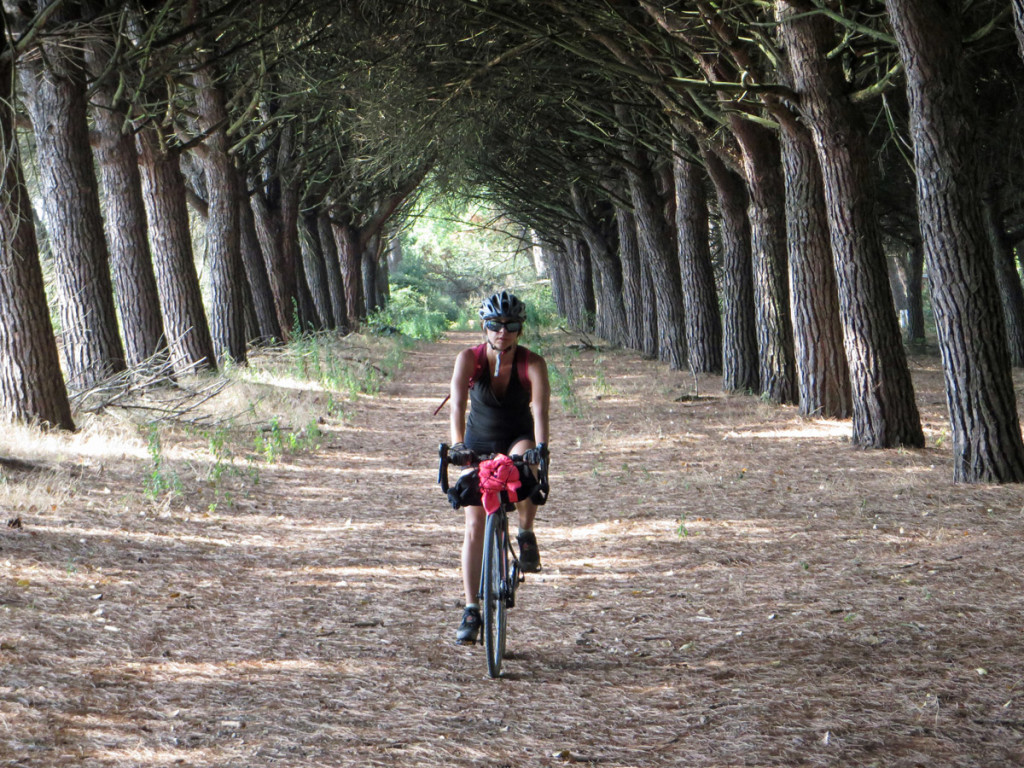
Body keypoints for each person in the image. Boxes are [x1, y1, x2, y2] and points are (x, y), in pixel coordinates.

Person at [448, 289, 550, 644]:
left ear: (520, 329)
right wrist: (459, 446)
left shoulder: (532, 363)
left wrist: (540, 449)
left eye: (511, 325)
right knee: (474, 521)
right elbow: (457, 406)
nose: (502, 332)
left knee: (526, 468)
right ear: (484, 326)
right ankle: (472, 607)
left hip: (516, 435)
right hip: (477, 441)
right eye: (494, 324)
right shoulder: (468, 358)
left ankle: (525, 531)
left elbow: (539, 411)